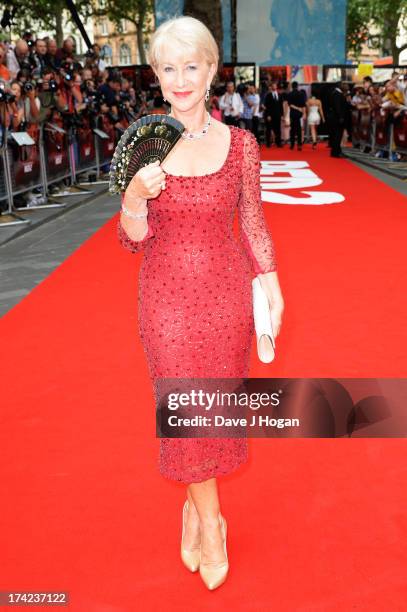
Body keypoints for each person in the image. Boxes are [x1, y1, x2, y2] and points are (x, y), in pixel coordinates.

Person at [116, 15, 284, 590]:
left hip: (226, 299)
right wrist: (135, 195)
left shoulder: (240, 145)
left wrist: (272, 282)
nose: (181, 79)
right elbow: (130, 238)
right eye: (169, 68)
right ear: (158, 77)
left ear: (212, 70)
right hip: (164, 301)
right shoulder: (143, 141)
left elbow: (254, 224)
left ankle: (192, 507)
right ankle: (212, 522)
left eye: (192, 66)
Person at [328, 81, 347, 157]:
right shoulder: (337, 94)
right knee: (337, 135)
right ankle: (335, 152)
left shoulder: (336, 93)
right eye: (343, 84)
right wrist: (341, 117)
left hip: (335, 117)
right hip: (337, 118)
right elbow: (337, 106)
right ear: (339, 85)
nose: (345, 86)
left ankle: (337, 151)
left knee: (337, 135)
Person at [285, 81, 306, 150]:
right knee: (299, 129)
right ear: (297, 86)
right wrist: (303, 113)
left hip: (293, 114)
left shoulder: (290, 94)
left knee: (292, 129)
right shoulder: (301, 94)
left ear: (292, 86)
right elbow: (303, 105)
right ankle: (299, 145)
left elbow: (289, 104)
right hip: (299, 114)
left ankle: (292, 144)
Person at [263, 81, 283, 147]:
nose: (274, 87)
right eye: (273, 86)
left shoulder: (279, 95)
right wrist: (268, 115)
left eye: (275, 85)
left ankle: (278, 143)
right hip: (270, 115)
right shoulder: (268, 95)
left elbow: (281, 106)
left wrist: (282, 115)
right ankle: (268, 143)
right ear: (271, 87)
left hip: (278, 115)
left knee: (278, 129)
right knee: (269, 129)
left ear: (276, 87)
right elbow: (266, 106)